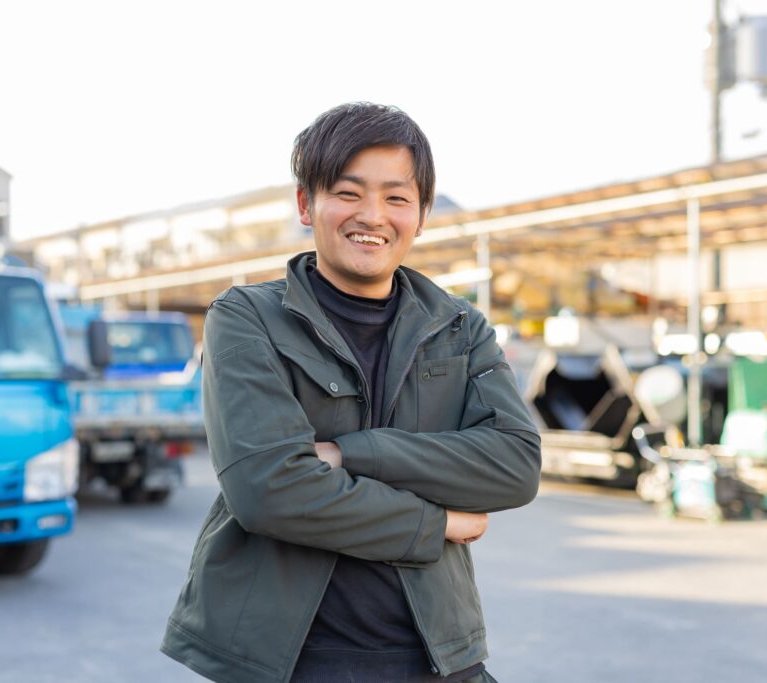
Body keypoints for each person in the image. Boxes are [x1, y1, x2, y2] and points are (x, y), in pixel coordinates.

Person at [161, 102, 541, 683]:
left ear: (422, 213)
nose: (373, 215)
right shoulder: (246, 317)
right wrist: (436, 523)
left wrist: (348, 453)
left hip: (442, 659)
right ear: (305, 204)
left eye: (396, 197)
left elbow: (515, 466)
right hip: (293, 663)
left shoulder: (461, 327)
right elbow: (268, 490)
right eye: (348, 192)